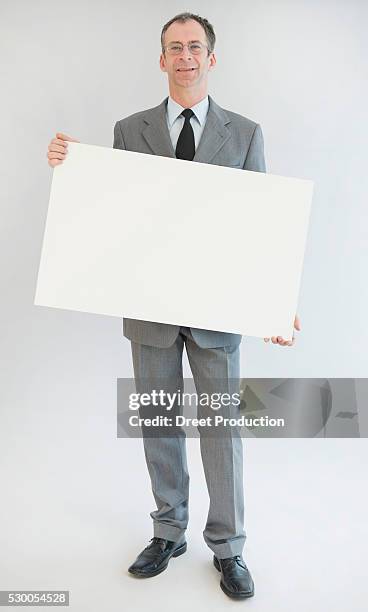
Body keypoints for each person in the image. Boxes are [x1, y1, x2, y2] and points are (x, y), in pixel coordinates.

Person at [47, 12, 301, 600]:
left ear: (211, 58)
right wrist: (73, 162)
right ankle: (168, 531)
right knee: (159, 422)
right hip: (150, 308)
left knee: (221, 429)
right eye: (173, 47)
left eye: (194, 47)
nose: (184, 56)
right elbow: (112, 209)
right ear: (161, 60)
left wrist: (275, 302)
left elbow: (260, 228)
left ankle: (230, 548)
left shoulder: (245, 133)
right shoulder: (129, 129)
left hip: (218, 311)